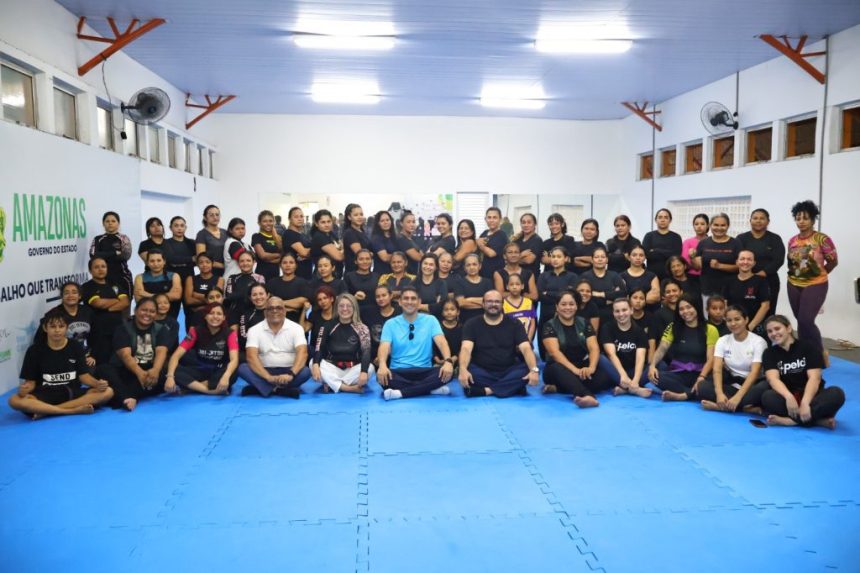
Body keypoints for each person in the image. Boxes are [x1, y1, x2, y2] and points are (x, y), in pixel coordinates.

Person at [10, 308, 112, 419]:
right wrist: (24, 389)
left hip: (71, 392)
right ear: (45, 328)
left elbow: (84, 377)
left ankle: (47, 411)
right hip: (45, 393)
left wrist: (98, 384)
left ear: (66, 328)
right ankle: (71, 411)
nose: (57, 330)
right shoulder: (34, 350)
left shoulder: (75, 346)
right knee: (14, 400)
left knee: (108, 392)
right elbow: (30, 383)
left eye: (61, 326)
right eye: (53, 327)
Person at [760, 315, 844, 428]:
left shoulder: (809, 348)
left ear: (789, 328)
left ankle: (792, 421)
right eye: (770, 331)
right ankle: (817, 421)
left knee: (836, 393)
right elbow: (773, 379)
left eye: (777, 328)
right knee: (767, 397)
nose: (774, 333)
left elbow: (814, 378)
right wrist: (789, 397)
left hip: (812, 397)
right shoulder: (769, 353)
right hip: (790, 399)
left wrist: (805, 402)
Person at [376, 287, 455, 400]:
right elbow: (384, 346)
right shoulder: (390, 324)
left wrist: (448, 361)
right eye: (406, 298)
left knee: (449, 373)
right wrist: (382, 365)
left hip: (424, 371)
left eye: (413, 298)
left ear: (419, 302)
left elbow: (442, 342)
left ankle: (400, 393)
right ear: (400, 302)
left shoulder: (431, 320)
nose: (409, 302)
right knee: (382, 378)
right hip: (398, 371)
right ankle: (430, 389)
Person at [459, 290, 540, 398]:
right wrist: (462, 369)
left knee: (526, 370)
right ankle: (511, 387)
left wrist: (534, 370)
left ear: (502, 304)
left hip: (508, 370)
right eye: (489, 301)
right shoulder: (471, 324)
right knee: (469, 371)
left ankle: (487, 391)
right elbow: (466, 349)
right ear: (483, 304)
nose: (493, 304)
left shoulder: (515, 323)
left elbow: (526, 348)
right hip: (482, 370)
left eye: (497, 302)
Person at [95, 297, 170, 411]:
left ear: (156, 314)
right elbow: (125, 356)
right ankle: (129, 396)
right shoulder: (123, 329)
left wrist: (155, 370)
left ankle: (121, 396)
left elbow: (161, 352)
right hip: (126, 370)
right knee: (103, 369)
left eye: (152, 311)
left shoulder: (161, 329)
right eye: (144, 310)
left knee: (167, 374)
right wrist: (139, 373)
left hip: (148, 370)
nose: (147, 314)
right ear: (135, 310)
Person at [540, 290, 613, 405]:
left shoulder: (584, 323)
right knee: (557, 368)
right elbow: (554, 353)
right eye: (563, 304)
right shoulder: (549, 325)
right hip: (557, 369)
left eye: (571, 304)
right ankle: (587, 396)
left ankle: (559, 388)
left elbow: (594, 348)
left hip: (580, 366)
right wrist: (575, 370)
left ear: (576, 306)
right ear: (557, 307)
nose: (568, 307)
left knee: (605, 377)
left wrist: (591, 368)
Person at [786, 200, 838, 354]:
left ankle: (819, 354)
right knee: (801, 321)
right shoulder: (792, 240)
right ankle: (804, 352)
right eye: (798, 218)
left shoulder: (822, 239)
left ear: (813, 220)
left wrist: (819, 274)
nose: (801, 222)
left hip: (816, 284)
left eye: (805, 218)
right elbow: (792, 263)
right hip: (793, 283)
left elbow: (833, 261)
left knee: (806, 320)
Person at [698, 305, 769, 414]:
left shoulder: (758, 342)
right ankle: (743, 407)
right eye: (729, 320)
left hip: (751, 385)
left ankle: (722, 407)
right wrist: (719, 394)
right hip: (732, 384)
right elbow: (717, 369)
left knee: (764, 387)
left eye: (737, 319)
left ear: (746, 320)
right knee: (703, 386)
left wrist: (738, 397)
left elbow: (754, 373)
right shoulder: (722, 340)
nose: (733, 323)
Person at [237, 296, 312, 398]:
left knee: (305, 372)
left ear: (285, 311)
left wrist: (291, 374)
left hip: (288, 371)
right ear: (265, 312)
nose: (275, 311)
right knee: (242, 368)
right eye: (270, 308)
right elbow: (251, 357)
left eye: (278, 308)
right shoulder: (254, 330)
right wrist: (268, 377)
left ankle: (262, 388)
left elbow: (302, 354)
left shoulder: (297, 328)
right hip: (263, 371)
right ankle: (281, 390)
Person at [648, 293, 718, 401]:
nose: (685, 311)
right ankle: (691, 393)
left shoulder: (710, 329)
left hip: (701, 374)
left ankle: (684, 395)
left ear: (696, 307)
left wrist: (701, 377)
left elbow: (711, 359)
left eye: (689, 307)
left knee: (709, 384)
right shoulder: (673, 327)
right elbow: (662, 349)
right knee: (656, 377)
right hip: (678, 373)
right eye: (681, 309)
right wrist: (652, 366)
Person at [165, 303, 239, 396]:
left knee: (233, 372)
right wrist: (170, 377)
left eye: (219, 314)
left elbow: (234, 359)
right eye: (211, 313)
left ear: (224, 318)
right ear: (205, 316)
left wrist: (226, 376)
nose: (215, 316)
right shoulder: (195, 331)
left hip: (219, 370)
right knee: (172, 370)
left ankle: (192, 387)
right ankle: (211, 391)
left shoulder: (230, 333)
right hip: (200, 369)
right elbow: (176, 355)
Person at [311, 293, 374, 393]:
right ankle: (347, 388)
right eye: (341, 306)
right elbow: (319, 347)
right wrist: (315, 365)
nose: (345, 309)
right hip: (332, 368)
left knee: (370, 368)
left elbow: (366, 352)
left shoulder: (362, 328)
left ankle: (332, 384)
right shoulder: (327, 325)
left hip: (352, 370)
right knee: (313, 363)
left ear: (354, 308)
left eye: (348, 306)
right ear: (336, 308)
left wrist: (363, 372)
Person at [81, 257, 130, 364]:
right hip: (98, 333)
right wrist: (117, 300)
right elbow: (98, 303)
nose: (100, 269)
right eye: (96, 267)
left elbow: (126, 302)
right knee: (101, 363)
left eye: (103, 266)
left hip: (117, 330)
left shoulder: (114, 284)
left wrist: (108, 308)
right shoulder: (87, 287)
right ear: (90, 270)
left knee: (119, 362)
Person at [737, 208, 784, 316]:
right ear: (750, 221)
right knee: (744, 312)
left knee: (768, 312)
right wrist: (750, 276)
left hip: (769, 281)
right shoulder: (741, 238)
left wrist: (762, 273)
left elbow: (778, 260)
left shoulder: (775, 238)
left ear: (768, 221)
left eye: (762, 218)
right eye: (755, 218)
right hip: (745, 281)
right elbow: (738, 258)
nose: (758, 221)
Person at [601, 298, 651, 398]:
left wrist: (636, 380)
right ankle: (635, 390)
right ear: (613, 313)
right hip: (615, 371)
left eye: (624, 310)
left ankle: (626, 389)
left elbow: (640, 358)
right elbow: (611, 355)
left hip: (633, 371)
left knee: (660, 364)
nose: (621, 314)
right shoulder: (607, 328)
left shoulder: (639, 331)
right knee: (600, 358)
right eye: (617, 311)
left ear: (631, 310)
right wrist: (623, 375)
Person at [692, 213, 741, 307]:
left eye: (723, 225)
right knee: (708, 314)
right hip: (707, 289)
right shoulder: (703, 243)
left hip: (729, 289)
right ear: (710, 225)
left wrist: (720, 266)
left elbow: (740, 267)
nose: (719, 228)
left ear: (728, 226)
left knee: (728, 315)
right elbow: (697, 267)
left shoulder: (735, 243)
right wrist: (692, 257)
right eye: (716, 225)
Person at [43, 281, 94, 366]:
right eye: (66, 293)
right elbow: (41, 339)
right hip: (62, 359)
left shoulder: (88, 311)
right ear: (61, 296)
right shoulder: (53, 314)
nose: (70, 296)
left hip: (86, 358)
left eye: (74, 292)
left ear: (79, 296)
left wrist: (93, 355)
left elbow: (96, 336)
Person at [724, 250, 771, 335]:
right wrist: (731, 323)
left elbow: (765, 306)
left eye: (749, 259)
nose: (745, 262)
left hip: (753, 328)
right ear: (737, 262)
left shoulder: (761, 281)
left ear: (754, 263)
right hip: (733, 327)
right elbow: (725, 304)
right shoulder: (729, 281)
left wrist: (750, 327)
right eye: (742, 259)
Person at [89, 211, 133, 297]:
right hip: (103, 278)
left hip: (122, 277)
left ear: (118, 223)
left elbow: (126, 255)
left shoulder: (123, 238)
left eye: (113, 221)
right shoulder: (98, 239)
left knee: (124, 302)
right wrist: (115, 252)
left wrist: (103, 255)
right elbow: (93, 256)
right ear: (103, 223)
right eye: (107, 221)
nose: (110, 223)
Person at [580, 246, 626, 322]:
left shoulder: (614, 275)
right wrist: (607, 299)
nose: (600, 259)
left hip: (612, 316)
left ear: (607, 260)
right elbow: (583, 296)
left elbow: (622, 294)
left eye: (603, 257)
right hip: (589, 315)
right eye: (597, 257)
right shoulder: (585, 276)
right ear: (592, 260)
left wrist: (600, 294)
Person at [134, 250, 183, 318]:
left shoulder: (174, 276)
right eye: (152, 261)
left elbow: (176, 296)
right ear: (147, 263)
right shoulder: (140, 278)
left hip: (170, 317)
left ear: (164, 261)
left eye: (159, 260)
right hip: (148, 318)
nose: (156, 264)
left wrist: (148, 295)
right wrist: (166, 297)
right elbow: (139, 299)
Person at [266, 252, 311, 324]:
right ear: (280, 265)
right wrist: (291, 307)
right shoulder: (272, 283)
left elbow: (302, 302)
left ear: (296, 265)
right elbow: (269, 303)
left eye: (291, 262)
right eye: (284, 263)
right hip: (275, 322)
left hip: (296, 322)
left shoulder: (303, 283)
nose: (288, 265)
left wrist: (279, 303)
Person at [184, 253, 225, 329]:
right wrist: (209, 299)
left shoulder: (220, 279)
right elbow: (188, 301)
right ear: (197, 264)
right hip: (194, 316)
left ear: (212, 263)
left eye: (207, 262)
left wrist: (196, 295)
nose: (204, 265)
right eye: (201, 262)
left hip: (213, 316)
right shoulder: (190, 279)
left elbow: (216, 302)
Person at [363, 285, 401, 366]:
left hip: (397, 357)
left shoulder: (400, 313)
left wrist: (383, 357)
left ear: (391, 296)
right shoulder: (368, 313)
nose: (381, 299)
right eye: (378, 296)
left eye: (384, 295)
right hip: (374, 359)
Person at [160, 216, 197, 295]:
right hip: (171, 279)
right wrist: (190, 259)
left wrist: (179, 263)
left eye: (182, 225)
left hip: (189, 278)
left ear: (185, 227)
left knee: (189, 302)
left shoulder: (191, 242)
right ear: (170, 228)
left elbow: (197, 261)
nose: (179, 228)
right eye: (176, 226)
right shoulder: (166, 243)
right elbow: (171, 259)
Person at [642, 208, 682, 280]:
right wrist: (668, 252)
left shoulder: (676, 237)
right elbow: (646, 254)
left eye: (666, 217)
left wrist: (656, 250)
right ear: (656, 220)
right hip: (651, 276)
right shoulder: (649, 236)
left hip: (671, 276)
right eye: (660, 217)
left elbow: (676, 256)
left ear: (670, 220)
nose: (663, 220)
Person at [231, 282, 269, 359]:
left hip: (269, 354)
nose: (258, 297)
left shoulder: (274, 313)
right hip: (247, 353)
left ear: (267, 295)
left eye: (261, 294)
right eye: (254, 295)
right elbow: (243, 336)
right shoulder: (245, 313)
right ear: (250, 298)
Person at [453, 253, 493, 324]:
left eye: (474, 264)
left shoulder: (487, 282)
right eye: (468, 265)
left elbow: (491, 303)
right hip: (466, 321)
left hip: (486, 321)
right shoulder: (459, 283)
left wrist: (470, 299)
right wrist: (484, 302)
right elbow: (461, 303)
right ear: (464, 268)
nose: (471, 267)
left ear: (480, 266)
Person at [648, 279, 682, 362]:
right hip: (666, 357)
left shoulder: (687, 312)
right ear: (663, 295)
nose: (672, 294)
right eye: (668, 292)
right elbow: (652, 338)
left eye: (674, 291)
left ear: (681, 292)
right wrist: (651, 362)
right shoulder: (658, 314)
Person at [225, 251, 266, 318]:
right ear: (238, 263)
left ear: (254, 262)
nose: (245, 263)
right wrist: (249, 293)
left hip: (254, 313)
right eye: (242, 261)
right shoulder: (233, 278)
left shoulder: (259, 277)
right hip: (235, 314)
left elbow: (260, 297)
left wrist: (240, 294)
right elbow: (229, 296)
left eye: (248, 260)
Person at [195, 204, 228, 277]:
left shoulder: (225, 232)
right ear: (205, 217)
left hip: (227, 271)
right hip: (210, 273)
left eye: (217, 215)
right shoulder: (202, 234)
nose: (215, 217)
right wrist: (223, 266)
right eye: (211, 215)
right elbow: (201, 258)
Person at [311, 209, 345, 277]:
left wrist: (341, 250)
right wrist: (343, 250)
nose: (327, 225)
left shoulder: (330, 233)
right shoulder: (319, 237)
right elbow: (339, 257)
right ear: (316, 224)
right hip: (323, 276)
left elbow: (341, 246)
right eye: (323, 222)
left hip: (335, 274)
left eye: (329, 221)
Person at [252, 210, 284, 281]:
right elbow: (262, 255)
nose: (268, 223)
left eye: (270, 221)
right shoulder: (256, 236)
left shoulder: (279, 237)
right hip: (261, 275)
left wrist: (268, 259)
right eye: (265, 221)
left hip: (276, 275)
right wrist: (278, 255)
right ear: (259, 223)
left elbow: (283, 256)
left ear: (274, 222)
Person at [282, 206, 313, 280]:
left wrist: (310, 252)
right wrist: (312, 250)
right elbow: (304, 253)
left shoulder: (302, 235)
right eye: (296, 217)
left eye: (301, 216)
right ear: (290, 219)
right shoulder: (289, 234)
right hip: (296, 277)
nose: (300, 219)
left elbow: (309, 252)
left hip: (307, 274)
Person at [477, 207, 508, 279]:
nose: (491, 220)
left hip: (495, 275)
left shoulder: (501, 235)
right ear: (485, 219)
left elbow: (491, 253)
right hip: (482, 273)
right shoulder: (485, 233)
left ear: (500, 219)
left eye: (495, 217)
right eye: (489, 217)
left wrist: (479, 244)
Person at [503, 273, 536, 341]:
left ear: (522, 286)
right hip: (510, 341)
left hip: (526, 340)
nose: (514, 287)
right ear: (507, 287)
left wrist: (528, 340)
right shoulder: (503, 304)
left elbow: (532, 323)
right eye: (511, 284)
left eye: (517, 284)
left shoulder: (528, 302)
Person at [681, 213, 709, 289]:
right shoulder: (687, 242)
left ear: (707, 225)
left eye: (702, 224)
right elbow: (685, 262)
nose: (699, 226)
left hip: (709, 278)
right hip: (691, 278)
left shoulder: (712, 242)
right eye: (696, 224)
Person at [511, 212, 543, 278]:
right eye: (523, 222)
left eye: (529, 222)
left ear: (535, 224)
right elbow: (507, 257)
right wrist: (521, 255)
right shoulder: (517, 239)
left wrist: (513, 260)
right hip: (515, 277)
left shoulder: (537, 240)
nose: (526, 225)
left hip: (530, 278)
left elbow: (529, 260)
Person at [342, 203, 372, 273]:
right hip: (354, 273)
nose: (359, 217)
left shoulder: (362, 231)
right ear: (349, 217)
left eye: (361, 214)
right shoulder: (350, 233)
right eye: (356, 215)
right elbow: (361, 254)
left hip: (364, 271)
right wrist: (374, 254)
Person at [307, 285, 337, 353]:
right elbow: (304, 329)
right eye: (319, 300)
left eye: (325, 298)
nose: (323, 301)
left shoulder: (339, 315)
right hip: (315, 352)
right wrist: (304, 311)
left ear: (332, 299)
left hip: (334, 353)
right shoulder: (314, 315)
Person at [434, 298, 462, 368]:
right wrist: (437, 359)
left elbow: (462, 347)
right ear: (442, 312)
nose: (449, 312)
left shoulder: (462, 328)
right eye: (446, 310)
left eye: (452, 309)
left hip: (457, 361)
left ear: (458, 312)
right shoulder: (437, 327)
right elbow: (432, 346)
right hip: (438, 361)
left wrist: (453, 359)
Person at [370, 210, 398, 275]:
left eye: (387, 220)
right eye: (382, 221)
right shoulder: (376, 239)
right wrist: (401, 257)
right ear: (378, 223)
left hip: (395, 273)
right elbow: (385, 258)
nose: (385, 222)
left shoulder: (394, 237)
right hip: (382, 275)